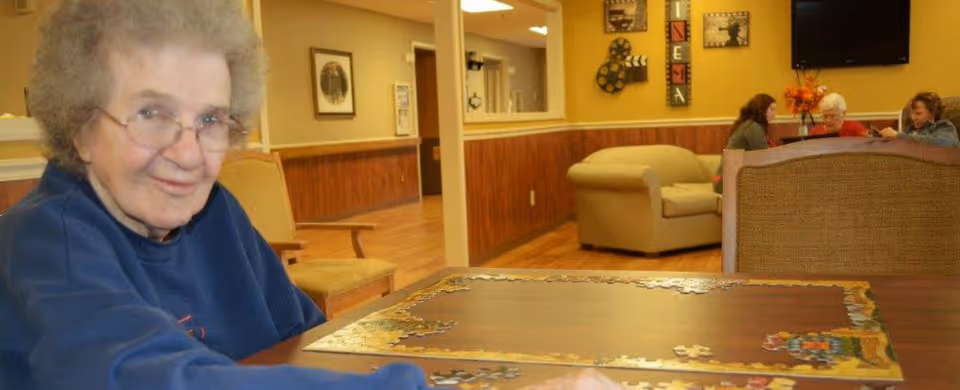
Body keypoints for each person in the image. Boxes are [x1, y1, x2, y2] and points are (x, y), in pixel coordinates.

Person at [0, 0, 435, 388]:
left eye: (210, 120)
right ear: (80, 128)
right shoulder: (41, 241)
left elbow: (305, 336)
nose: (189, 155)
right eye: (152, 113)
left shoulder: (216, 209)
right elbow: (138, 374)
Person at [713, 94, 778, 194]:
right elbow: (765, 158)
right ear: (761, 109)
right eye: (772, 109)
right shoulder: (753, 127)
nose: (775, 114)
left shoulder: (748, 125)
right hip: (727, 183)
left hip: (724, 181)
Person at [879, 92, 960, 146]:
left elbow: (944, 143)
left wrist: (899, 136)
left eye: (918, 113)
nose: (913, 118)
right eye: (912, 113)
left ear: (932, 112)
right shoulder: (910, 130)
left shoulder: (944, 126)